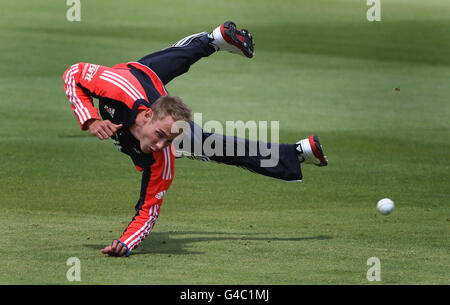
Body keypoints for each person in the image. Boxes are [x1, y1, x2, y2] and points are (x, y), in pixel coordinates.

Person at [62, 21, 328, 257]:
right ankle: (213, 40)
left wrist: (126, 242)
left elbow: (149, 209)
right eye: (160, 137)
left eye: (168, 141)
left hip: (145, 82)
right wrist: (91, 119)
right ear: (145, 116)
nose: (160, 146)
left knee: (212, 145)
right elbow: (73, 74)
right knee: (161, 65)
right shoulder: (116, 89)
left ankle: (293, 153)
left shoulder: (163, 153)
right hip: (132, 77)